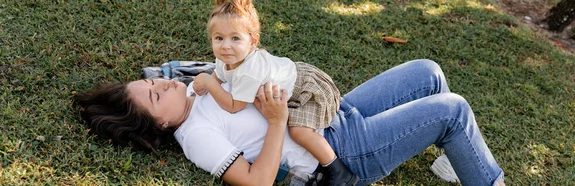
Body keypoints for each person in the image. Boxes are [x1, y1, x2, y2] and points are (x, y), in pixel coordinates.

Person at [74, 59, 506, 186]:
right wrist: (278, 122)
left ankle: (455, 162)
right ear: (161, 126)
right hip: (345, 150)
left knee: (428, 72)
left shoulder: (192, 91)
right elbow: (257, 181)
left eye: (155, 85)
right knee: (452, 109)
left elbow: (181, 69)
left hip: (333, 112)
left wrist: (164, 77)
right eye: (155, 96)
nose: (166, 88)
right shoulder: (195, 136)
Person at [191, 0, 357, 184]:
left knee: (299, 132)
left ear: (253, 41)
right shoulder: (225, 58)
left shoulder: (249, 71)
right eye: (219, 38)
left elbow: (233, 105)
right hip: (292, 87)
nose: (225, 46)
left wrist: (206, 81)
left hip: (305, 89)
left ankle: (339, 172)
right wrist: (208, 82)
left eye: (235, 38)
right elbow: (219, 75)